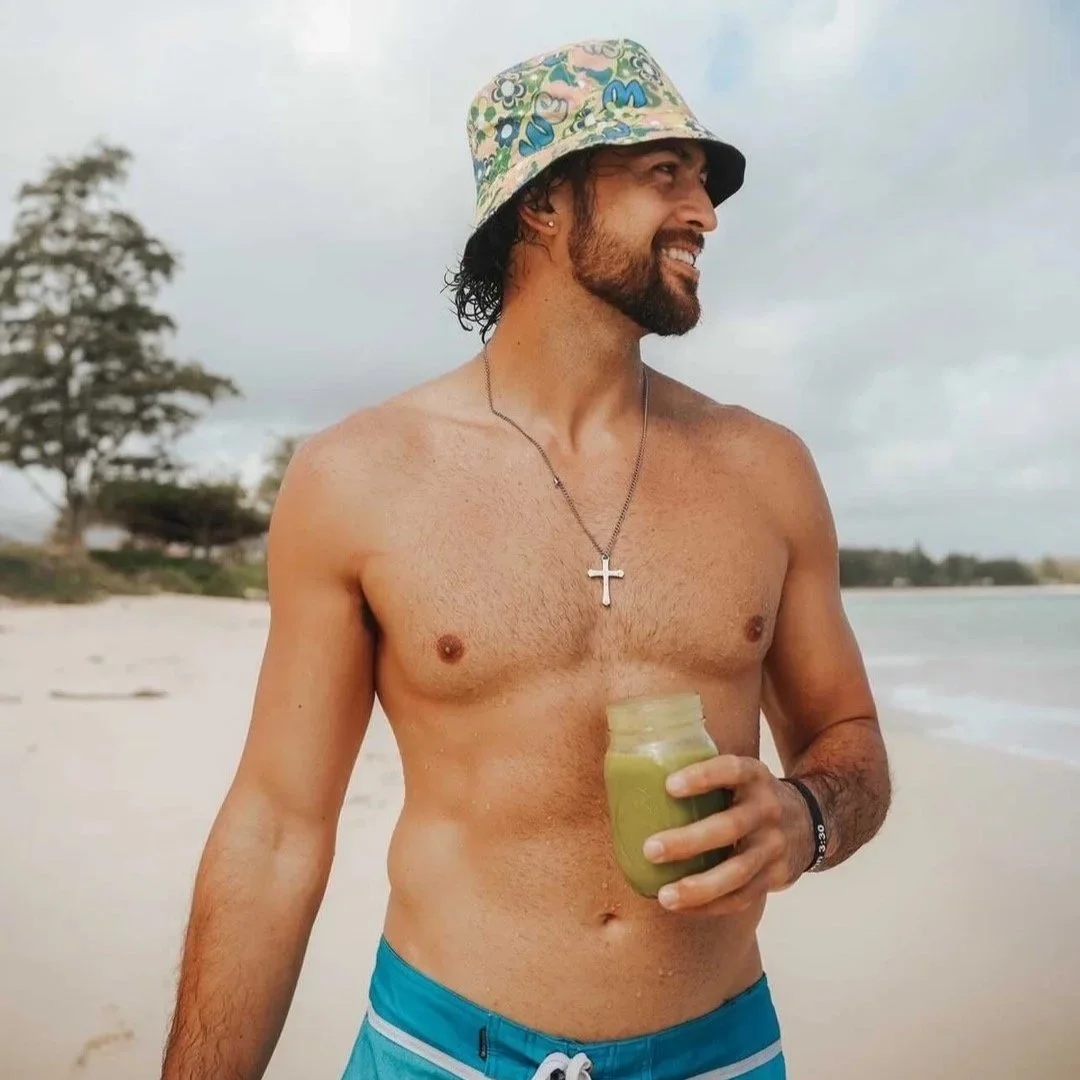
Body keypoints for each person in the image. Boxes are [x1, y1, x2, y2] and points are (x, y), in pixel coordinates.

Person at [160, 37, 891, 1080]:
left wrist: (807, 817)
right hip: (437, 1052)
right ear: (543, 202)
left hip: (722, 1053)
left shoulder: (764, 469)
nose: (705, 213)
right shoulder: (360, 476)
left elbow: (849, 740)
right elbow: (276, 829)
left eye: (704, 181)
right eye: (664, 174)